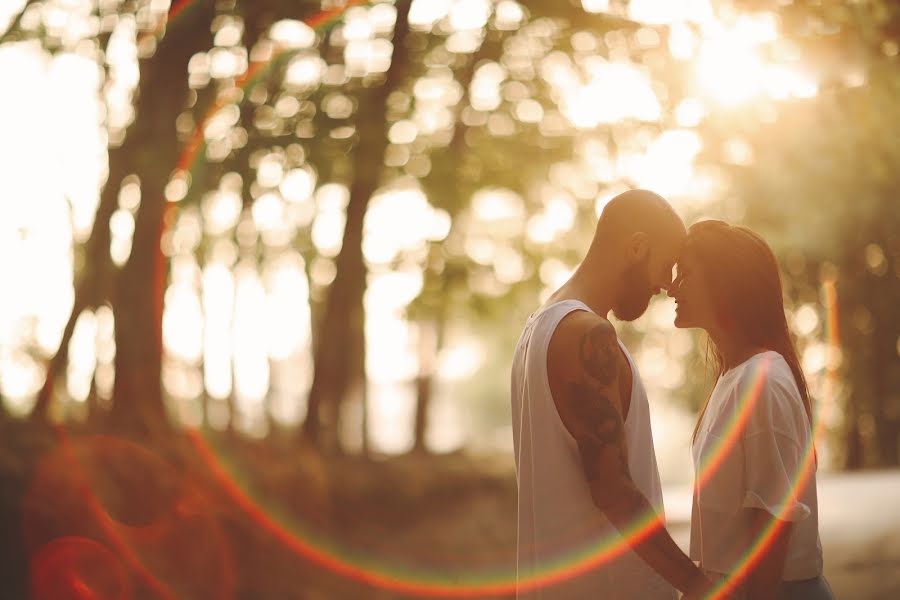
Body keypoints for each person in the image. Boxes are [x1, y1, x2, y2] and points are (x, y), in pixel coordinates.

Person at [510, 189, 717, 599]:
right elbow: (612, 489)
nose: (666, 285)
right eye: (665, 266)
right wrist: (697, 584)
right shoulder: (586, 335)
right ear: (637, 247)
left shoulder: (538, 328)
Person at [668, 220, 834, 600]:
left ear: (725, 283)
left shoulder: (763, 382)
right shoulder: (735, 377)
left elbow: (772, 527)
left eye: (687, 274)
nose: (672, 288)